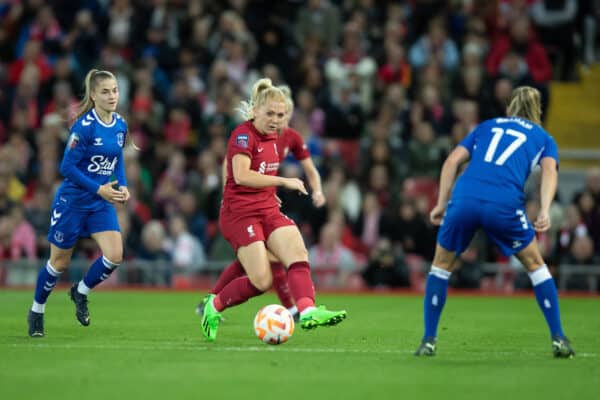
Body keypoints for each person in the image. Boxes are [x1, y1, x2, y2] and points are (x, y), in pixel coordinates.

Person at [414, 86, 575, 358]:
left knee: (440, 267)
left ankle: (428, 340)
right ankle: (558, 337)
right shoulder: (543, 137)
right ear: (538, 110)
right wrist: (545, 208)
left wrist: (442, 202)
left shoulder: (486, 126)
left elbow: (452, 161)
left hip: (465, 197)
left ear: (510, 107)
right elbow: (550, 171)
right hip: (503, 202)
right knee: (536, 266)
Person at [200, 78, 346, 341]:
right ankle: (214, 305)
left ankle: (308, 310)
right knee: (261, 281)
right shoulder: (243, 134)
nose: (276, 120)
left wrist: (270, 194)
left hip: (266, 209)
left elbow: (262, 176)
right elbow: (242, 175)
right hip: (239, 214)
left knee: (297, 252)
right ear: (255, 110)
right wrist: (283, 182)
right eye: (270, 113)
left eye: (281, 114)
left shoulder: (275, 137)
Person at [27, 69, 131, 337]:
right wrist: (99, 189)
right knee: (59, 263)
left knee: (115, 255)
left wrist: (123, 186)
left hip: (100, 201)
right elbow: (67, 168)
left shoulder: (120, 124)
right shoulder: (83, 127)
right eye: (105, 91)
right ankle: (37, 311)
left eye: (115, 90)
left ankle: (80, 291)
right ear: (94, 95)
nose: (112, 96)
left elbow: (117, 159)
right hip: (73, 201)